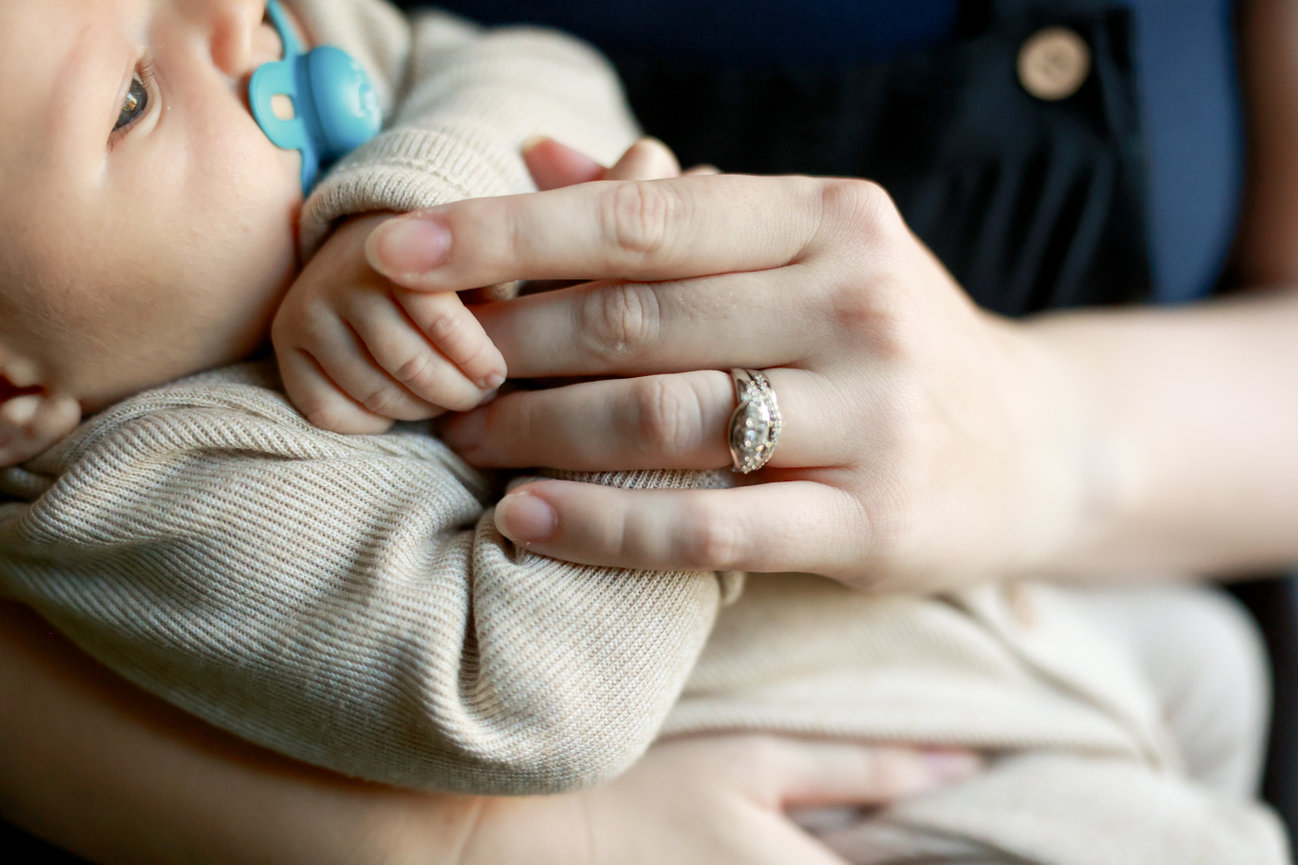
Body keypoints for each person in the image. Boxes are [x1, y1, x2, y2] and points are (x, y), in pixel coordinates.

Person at [0, 1, 1290, 864]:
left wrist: (421, 199)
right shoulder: (159, 496)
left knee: (1212, 660)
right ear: (16, 400)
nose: (237, 21)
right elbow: (530, 697)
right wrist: (673, 406)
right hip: (839, 775)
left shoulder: (300, 84)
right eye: (127, 100)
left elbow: (519, 63)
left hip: (982, 593)